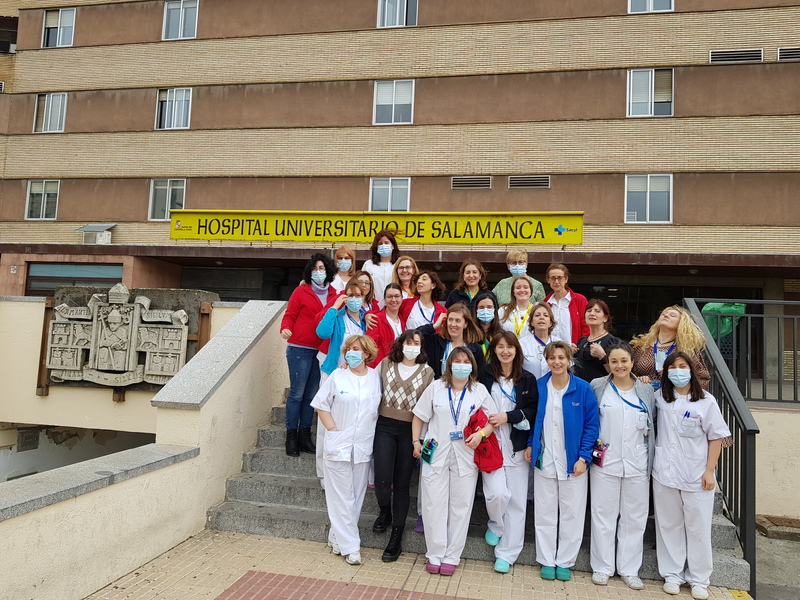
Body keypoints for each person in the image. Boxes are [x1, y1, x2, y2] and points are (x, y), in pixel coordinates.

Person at [652, 351, 731, 600]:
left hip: (696, 474)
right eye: (673, 367)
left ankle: (699, 579)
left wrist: (709, 471)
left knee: (698, 528)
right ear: (666, 372)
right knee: (668, 525)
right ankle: (672, 574)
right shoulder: (660, 397)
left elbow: (716, 437)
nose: (678, 371)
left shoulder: (706, 401)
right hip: (665, 473)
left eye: (682, 366)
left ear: (691, 370)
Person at [411, 347, 495, 576]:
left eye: (466, 361)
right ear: (449, 365)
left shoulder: (479, 390)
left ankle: (451, 556)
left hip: (465, 454)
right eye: (457, 361)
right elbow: (419, 416)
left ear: (472, 365)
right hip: (435, 452)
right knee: (433, 504)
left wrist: (481, 435)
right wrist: (416, 441)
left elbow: (492, 420)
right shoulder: (436, 388)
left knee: (461, 506)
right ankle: (434, 553)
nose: (461, 365)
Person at [525, 341, 599, 582]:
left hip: (574, 462)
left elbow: (591, 425)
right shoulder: (539, 386)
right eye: (552, 358)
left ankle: (565, 561)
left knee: (572, 514)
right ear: (546, 361)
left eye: (561, 357)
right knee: (544, 512)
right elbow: (534, 420)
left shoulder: (583, 388)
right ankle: (547, 560)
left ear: (569, 360)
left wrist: (584, 457)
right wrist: (531, 444)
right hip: (545, 459)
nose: (556, 362)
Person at [589, 342, 655, 590]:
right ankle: (602, 566)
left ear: (632, 362)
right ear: (608, 363)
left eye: (624, 361)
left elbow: (653, 424)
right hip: (605, 461)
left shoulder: (646, 390)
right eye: (614, 361)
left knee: (634, 517)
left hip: (638, 461)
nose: (619, 366)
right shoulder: (598, 386)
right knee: (602, 514)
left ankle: (629, 569)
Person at [311, 335, 382, 566]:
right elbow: (321, 405)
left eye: (356, 349)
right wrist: (332, 430)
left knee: (356, 497)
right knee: (341, 498)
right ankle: (352, 547)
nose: (351, 352)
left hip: (362, 447)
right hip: (338, 445)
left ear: (367, 354)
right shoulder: (337, 375)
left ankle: (336, 538)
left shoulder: (375, 377)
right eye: (349, 349)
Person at [478, 332, 539, 573]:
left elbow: (533, 410)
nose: (505, 351)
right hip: (490, 442)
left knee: (516, 501)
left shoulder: (527, 379)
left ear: (516, 350)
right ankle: (495, 523)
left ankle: (507, 553)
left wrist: (508, 417)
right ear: (494, 350)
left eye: (510, 347)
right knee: (496, 494)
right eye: (500, 347)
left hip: (517, 444)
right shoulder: (484, 375)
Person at [372, 330, 435, 562]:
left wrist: (420, 440)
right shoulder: (386, 364)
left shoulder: (428, 372)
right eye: (409, 341)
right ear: (401, 343)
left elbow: (427, 408)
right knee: (382, 479)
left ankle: (396, 536)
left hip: (411, 430)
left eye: (416, 343)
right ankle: (384, 511)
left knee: (401, 484)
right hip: (385, 426)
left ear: (421, 347)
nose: (412, 346)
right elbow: (367, 382)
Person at [280, 253, 336, 457]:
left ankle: (305, 436)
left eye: (322, 268)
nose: (318, 272)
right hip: (300, 348)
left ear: (328, 271)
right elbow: (290, 315)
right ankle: (291, 437)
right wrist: (285, 328)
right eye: (315, 269)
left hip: (321, 350)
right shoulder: (301, 291)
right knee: (297, 394)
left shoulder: (335, 294)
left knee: (311, 395)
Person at [631, 305, 711, 390]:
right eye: (663, 314)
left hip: (674, 395)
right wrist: (639, 379)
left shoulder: (688, 349)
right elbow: (628, 373)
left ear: (681, 323)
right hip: (644, 394)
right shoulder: (641, 346)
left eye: (672, 315)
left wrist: (678, 381)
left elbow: (703, 378)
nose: (666, 315)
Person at [420, 302, 486, 379]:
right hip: (438, 385)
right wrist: (434, 326)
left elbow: (480, 376)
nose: (453, 324)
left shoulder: (475, 349)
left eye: (458, 321)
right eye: (450, 320)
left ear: (465, 324)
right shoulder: (435, 342)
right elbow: (413, 337)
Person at [573, 299, 620, 382]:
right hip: (580, 388)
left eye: (597, 311)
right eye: (589, 311)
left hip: (601, 388)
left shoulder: (613, 342)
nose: (592, 313)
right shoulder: (582, 341)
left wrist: (603, 357)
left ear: (605, 318)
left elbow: (619, 373)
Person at [544, 262, 589, 344]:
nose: (556, 281)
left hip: (573, 349)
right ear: (548, 280)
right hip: (550, 349)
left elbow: (587, 326)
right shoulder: (545, 303)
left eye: (560, 278)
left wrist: (581, 345)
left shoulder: (579, 300)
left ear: (566, 279)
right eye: (553, 278)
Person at [367, 283, 405, 367]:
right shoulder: (376, 319)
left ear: (402, 298)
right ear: (384, 299)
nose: (393, 300)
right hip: (380, 367)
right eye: (389, 296)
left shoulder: (403, 319)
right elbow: (369, 347)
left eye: (397, 296)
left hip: (399, 367)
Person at [520, 301, 561, 379]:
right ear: (532, 322)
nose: (541, 317)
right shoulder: (522, 343)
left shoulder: (559, 343)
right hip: (530, 385)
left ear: (550, 323)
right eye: (537, 315)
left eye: (545, 315)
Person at [361, 230, 399, 306]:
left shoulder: (399, 264)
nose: (383, 245)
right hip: (373, 306)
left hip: (395, 306)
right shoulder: (368, 265)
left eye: (386, 243)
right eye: (380, 243)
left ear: (393, 246)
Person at [498, 276, 535, 340]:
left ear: (530, 291)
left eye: (525, 287)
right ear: (513, 292)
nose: (522, 290)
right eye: (518, 288)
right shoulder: (503, 310)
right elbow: (497, 332)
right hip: (509, 345)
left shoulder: (536, 310)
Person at [472, 289, 503, 359]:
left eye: (489, 307)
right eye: (481, 307)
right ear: (476, 310)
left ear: (494, 309)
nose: (485, 310)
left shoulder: (501, 334)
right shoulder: (470, 334)